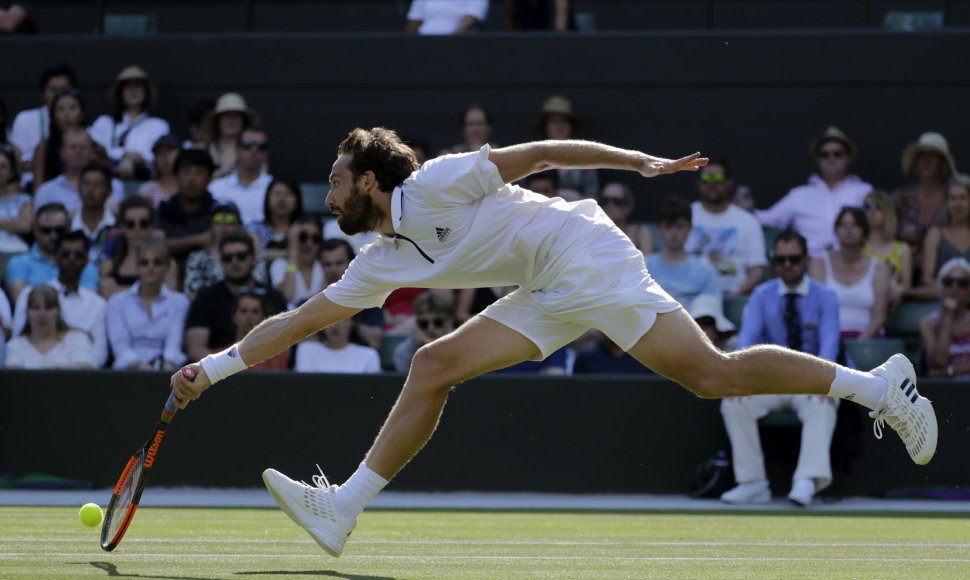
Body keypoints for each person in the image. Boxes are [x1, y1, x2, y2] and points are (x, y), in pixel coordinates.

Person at [170, 128, 937, 558]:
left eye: (337, 180)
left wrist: (636, 161)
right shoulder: (379, 261)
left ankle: (877, 387)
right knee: (433, 363)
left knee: (711, 375)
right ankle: (343, 507)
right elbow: (301, 320)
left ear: (370, 182)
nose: (328, 192)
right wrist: (211, 368)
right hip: (543, 287)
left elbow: (538, 156)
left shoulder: (433, 182)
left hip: (584, 254)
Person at [719, 229, 840, 507]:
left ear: (807, 259)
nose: (787, 265)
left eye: (794, 259)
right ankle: (752, 483)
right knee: (733, 402)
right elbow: (747, 341)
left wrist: (822, 382)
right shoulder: (762, 295)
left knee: (825, 402)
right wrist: (738, 377)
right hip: (769, 380)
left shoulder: (826, 296)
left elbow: (830, 344)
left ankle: (806, 481)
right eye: (780, 259)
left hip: (809, 380)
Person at [756, 127, 872, 257]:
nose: (831, 158)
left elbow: (878, 227)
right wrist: (743, 209)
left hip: (851, 262)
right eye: (824, 154)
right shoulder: (800, 194)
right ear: (818, 159)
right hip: (808, 264)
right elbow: (769, 219)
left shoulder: (864, 191)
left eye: (837, 153)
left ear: (848, 157)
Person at [183, 231, 285, 361]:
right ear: (221, 261)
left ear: (253, 258)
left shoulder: (273, 297)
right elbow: (196, 349)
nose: (234, 262)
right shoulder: (205, 297)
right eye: (228, 257)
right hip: (218, 372)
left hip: (264, 371)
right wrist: (228, 367)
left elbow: (285, 346)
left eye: (241, 256)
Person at [11, 230, 108, 368]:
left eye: (79, 255)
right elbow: (19, 341)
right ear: (55, 259)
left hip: (80, 379)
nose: (71, 259)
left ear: (87, 261)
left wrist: (67, 370)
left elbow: (100, 355)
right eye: (65, 254)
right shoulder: (29, 294)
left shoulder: (98, 304)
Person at [686, 158, 766, 295]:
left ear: (729, 182)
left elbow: (757, 271)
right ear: (698, 183)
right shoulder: (684, 216)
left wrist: (735, 295)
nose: (712, 183)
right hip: (688, 296)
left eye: (718, 178)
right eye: (706, 177)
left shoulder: (748, 221)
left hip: (732, 296)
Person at [809, 208, 890, 342]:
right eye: (843, 225)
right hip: (827, 338)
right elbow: (814, 310)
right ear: (836, 231)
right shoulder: (820, 263)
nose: (849, 230)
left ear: (865, 231)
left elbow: (879, 317)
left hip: (869, 341)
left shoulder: (879, 267)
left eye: (855, 225)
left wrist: (858, 344)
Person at [106, 240, 189, 370]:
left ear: (166, 267)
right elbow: (121, 348)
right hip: (127, 373)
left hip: (167, 371)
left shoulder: (180, 302)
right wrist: (142, 368)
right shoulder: (117, 302)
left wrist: (162, 373)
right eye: (145, 263)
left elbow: (174, 347)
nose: (151, 267)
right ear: (137, 267)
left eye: (157, 262)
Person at [4, 203, 98, 303]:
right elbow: (24, 303)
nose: (53, 236)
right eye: (46, 230)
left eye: (59, 230)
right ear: (35, 229)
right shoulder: (18, 264)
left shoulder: (83, 264)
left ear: (68, 228)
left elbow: (88, 304)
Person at [89, 65, 170, 180]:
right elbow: (94, 150)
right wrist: (125, 156)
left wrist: (136, 159)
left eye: (138, 86)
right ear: (120, 92)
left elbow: (157, 157)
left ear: (145, 92)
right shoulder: (104, 122)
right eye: (128, 87)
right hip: (103, 180)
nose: (133, 91)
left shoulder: (158, 125)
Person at [893, 132, 956, 277]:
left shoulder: (953, 198)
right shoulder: (900, 198)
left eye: (932, 155)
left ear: (942, 162)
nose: (926, 161)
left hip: (945, 277)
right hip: (901, 275)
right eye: (922, 155)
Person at [644, 196, 721, 306]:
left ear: (690, 228)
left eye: (679, 226)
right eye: (668, 226)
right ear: (659, 228)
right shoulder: (643, 268)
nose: (674, 233)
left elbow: (710, 315)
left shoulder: (706, 272)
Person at [183, 201, 268, 298]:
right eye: (218, 220)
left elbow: (260, 290)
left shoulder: (255, 256)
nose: (224, 225)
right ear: (210, 226)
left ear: (240, 225)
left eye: (230, 220)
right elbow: (192, 295)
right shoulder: (197, 258)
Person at [99, 195, 177, 299]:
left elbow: (171, 298)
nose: (137, 228)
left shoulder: (169, 264)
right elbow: (106, 295)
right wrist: (153, 291)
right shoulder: (109, 266)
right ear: (122, 227)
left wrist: (118, 290)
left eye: (143, 223)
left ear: (152, 226)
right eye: (130, 224)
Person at [8, 64, 76, 181]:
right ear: (44, 93)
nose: (58, 94)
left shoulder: (77, 119)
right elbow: (16, 161)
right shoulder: (24, 118)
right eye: (53, 89)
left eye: (64, 90)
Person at [33, 128, 125, 214]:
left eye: (83, 147)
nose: (78, 151)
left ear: (92, 152)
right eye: (73, 147)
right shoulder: (46, 191)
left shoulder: (114, 186)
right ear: (62, 153)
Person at [5, 284, 95, 369]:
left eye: (48, 308)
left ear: (58, 311)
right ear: (27, 313)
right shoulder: (15, 346)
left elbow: (85, 368)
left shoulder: (77, 339)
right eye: (36, 308)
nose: (42, 314)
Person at [158, 148, 218, 262]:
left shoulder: (218, 211)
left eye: (199, 173)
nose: (192, 179)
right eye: (186, 172)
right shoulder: (163, 210)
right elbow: (157, 247)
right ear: (176, 177)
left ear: (209, 179)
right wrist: (198, 241)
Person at [533, 95, 598, 197]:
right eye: (554, 121)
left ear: (571, 126)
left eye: (564, 121)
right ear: (545, 126)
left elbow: (592, 195)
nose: (559, 127)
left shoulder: (584, 159)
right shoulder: (533, 155)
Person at [918, 174, 970, 296]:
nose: (958, 203)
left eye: (963, 198)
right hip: (941, 303)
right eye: (952, 198)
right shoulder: (935, 235)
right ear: (946, 202)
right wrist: (953, 291)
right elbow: (927, 279)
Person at [208, 128, 273, 225]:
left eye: (261, 147)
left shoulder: (274, 187)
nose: (254, 151)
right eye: (247, 145)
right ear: (236, 149)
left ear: (266, 153)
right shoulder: (216, 188)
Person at [920, 257, 970, 380]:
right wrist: (947, 319)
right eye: (948, 281)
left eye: (962, 283)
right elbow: (939, 361)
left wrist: (949, 371)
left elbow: (941, 370)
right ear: (941, 286)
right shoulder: (928, 323)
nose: (954, 286)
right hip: (944, 391)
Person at [863, 190, 912, 310]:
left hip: (891, 307)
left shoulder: (902, 249)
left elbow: (906, 285)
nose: (872, 211)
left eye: (878, 207)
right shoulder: (856, 246)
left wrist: (898, 292)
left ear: (888, 213)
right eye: (867, 207)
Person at [393, 291, 456, 373]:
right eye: (424, 323)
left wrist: (431, 347)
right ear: (417, 324)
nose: (430, 328)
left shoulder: (463, 342)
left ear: (449, 322)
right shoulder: (404, 352)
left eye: (438, 322)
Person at [270, 216, 324, 308]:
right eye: (303, 237)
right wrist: (293, 251)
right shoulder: (279, 264)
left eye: (315, 238)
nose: (309, 243)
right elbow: (287, 296)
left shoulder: (326, 265)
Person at [294, 316, 381, 373]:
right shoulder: (306, 350)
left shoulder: (369, 355)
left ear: (352, 323)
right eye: (331, 319)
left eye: (343, 320)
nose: (336, 325)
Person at [204, 93, 260, 179]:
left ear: (243, 121)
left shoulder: (255, 151)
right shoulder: (203, 149)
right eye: (226, 115)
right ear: (218, 121)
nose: (231, 119)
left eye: (236, 115)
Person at [248, 178, 303, 264]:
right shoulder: (254, 228)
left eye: (288, 194)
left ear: (297, 200)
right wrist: (289, 254)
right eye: (277, 194)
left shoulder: (304, 229)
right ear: (267, 199)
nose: (282, 199)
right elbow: (254, 256)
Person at [70, 163, 115, 264]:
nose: (90, 190)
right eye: (86, 184)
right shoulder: (67, 226)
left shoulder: (118, 226)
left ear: (109, 191)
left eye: (98, 184)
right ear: (79, 189)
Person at [234, 290, 290, 371]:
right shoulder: (219, 356)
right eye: (244, 311)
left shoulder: (276, 357)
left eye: (255, 311)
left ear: (264, 318)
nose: (249, 316)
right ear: (234, 316)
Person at [597, 182, 653, 254]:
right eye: (605, 200)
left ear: (628, 207)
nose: (610, 205)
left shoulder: (640, 232)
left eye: (617, 201)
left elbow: (647, 261)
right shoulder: (594, 233)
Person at [0, 143, 31, 252]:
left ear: (11, 172)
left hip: (16, 251)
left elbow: (26, 226)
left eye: (3, 167)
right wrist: (12, 224)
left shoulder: (24, 200)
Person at [136, 134, 181, 207]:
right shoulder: (147, 191)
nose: (164, 156)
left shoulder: (190, 187)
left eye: (169, 150)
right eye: (159, 153)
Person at [406, 0, 488, 34]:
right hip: (423, 43)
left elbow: (471, 17)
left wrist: (449, 42)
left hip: (458, 45)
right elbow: (414, 19)